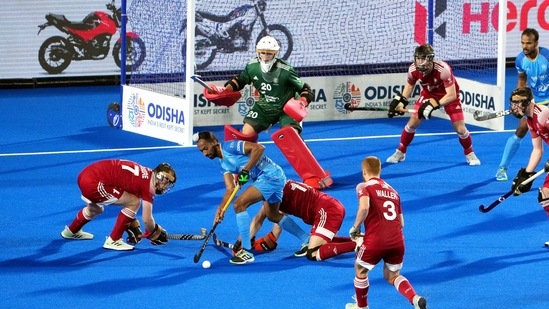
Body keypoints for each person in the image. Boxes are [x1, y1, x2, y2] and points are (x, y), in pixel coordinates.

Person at [206, 35, 332, 189]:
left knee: (291, 136)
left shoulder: (285, 70)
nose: (265, 56)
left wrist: (302, 102)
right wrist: (224, 90)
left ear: (275, 54)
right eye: (262, 53)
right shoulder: (252, 66)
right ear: (258, 52)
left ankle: (315, 175)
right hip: (266, 105)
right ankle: (242, 169)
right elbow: (240, 80)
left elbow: (305, 89)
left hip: (286, 107)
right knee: (246, 132)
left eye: (269, 53)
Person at [194, 131, 310, 264]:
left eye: (205, 148)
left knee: (239, 204)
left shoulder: (230, 147)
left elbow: (259, 148)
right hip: (269, 178)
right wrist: (221, 209)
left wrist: (246, 170)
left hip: (270, 175)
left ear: (214, 142)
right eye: (201, 151)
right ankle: (307, 240)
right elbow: (230, 188)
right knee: (273, 215)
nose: (204, 153)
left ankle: (247, 251)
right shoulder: (223, 164)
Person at [346, 156, 427, 309]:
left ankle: (362, 307)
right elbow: (401, 223)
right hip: (397, 240)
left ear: (364, 171)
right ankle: (415, 299)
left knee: (360, 269)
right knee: (392, 276)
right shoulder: (394, 192)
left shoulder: (364, 186)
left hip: (376, 240)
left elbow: (364, 207)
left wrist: (355, 228)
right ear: (380, 170)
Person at [386, 44, 480, 166]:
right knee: (411, 124)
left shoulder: (443, 70)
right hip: (428, 95)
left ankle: (470, 153)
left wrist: (434, 105)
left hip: (448, 96)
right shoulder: (413, 69)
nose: (421, 63)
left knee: (461, 130)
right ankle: (401, 152)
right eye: (419, 58)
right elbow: (409, 87)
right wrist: (400, 101)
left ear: (431, 59)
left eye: (425, 59)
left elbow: (451, 94)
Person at [61, 159, 176, 251]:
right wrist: (154, 231)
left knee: (95, 209)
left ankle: (71, 231)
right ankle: (114, 240)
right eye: (165, 183)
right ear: (159, 177)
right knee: (134, 202)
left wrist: (130, 221)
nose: (165, 187)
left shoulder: (147, 173)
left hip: (87, 174)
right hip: (95, 182)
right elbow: (147, 219)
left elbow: (125, 188)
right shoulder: (149, 187)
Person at [243, 179, 359, 261]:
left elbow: (260, 218)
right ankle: (359, 239)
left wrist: (243, 244)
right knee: (319, 242)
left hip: (327, 211)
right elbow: (277, 217)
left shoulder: (271, 192)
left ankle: (359, 245)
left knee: (313, 253)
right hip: (328, 207)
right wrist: (272, 238)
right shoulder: (277, 184)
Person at [495, 28, 549, 181]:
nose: (525, 46)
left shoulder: (546, 56)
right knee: (521, 129)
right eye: (523, 43)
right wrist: (518, 102)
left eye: (529, 43)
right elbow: (522, 81)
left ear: (536, 43)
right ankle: (502, 167)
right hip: (534, 100)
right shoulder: (520, 60)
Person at [507, 87, 549, 247]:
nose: (514, 107)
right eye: (513, 103)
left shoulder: (543, 114)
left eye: (518, 104)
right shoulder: (530, 120)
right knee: (545, 194)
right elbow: (538, 150)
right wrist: (526, 175)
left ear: (528, 102)